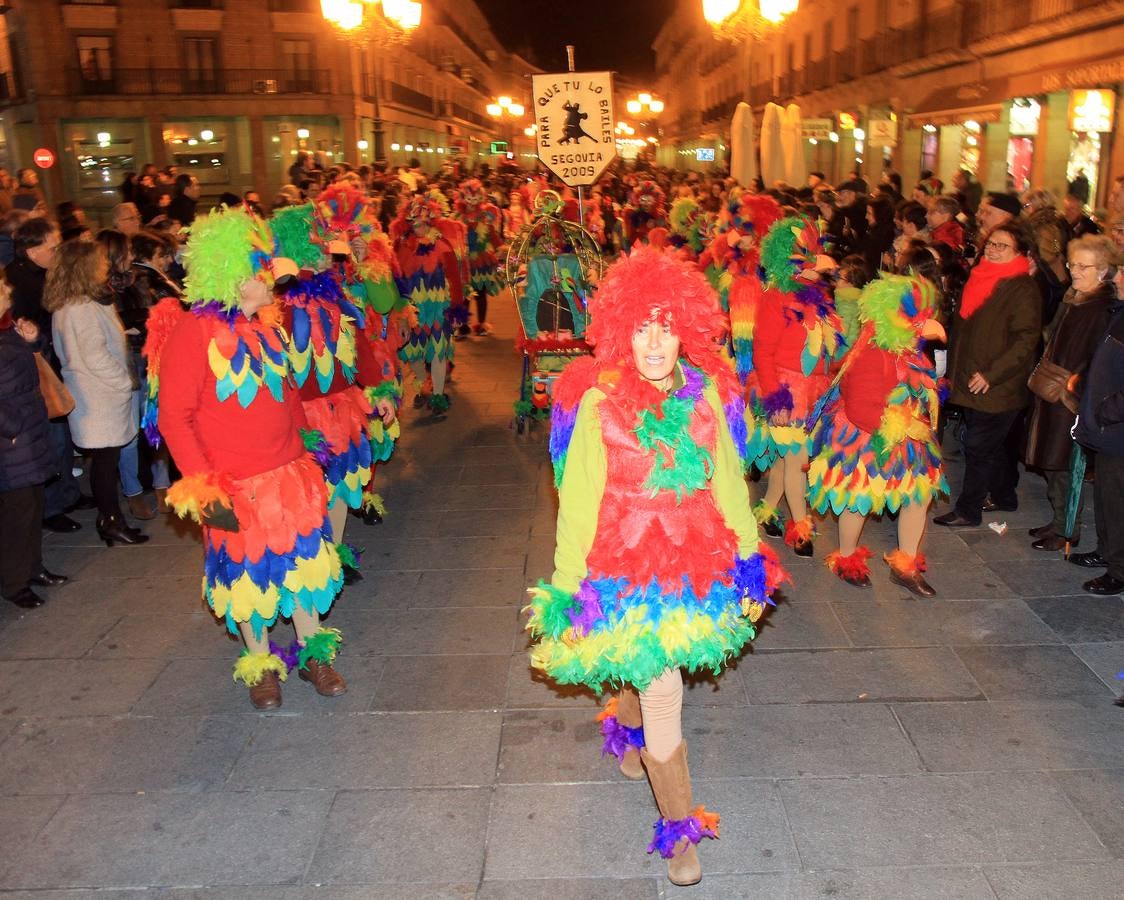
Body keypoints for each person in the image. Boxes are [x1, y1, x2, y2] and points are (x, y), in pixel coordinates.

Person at [526, 248, 785, 887]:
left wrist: (751, 558)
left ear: (687, 331)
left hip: (692, 566)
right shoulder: (598, 406)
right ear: (620, 329)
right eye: (642, 326)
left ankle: (669, 813)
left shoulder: (705, 400)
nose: (654, 342)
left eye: (667, 326)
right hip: (620, 564)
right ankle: (657, 784)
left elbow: (729, 484)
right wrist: (565, 586)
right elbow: (578, 503)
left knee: (660, 684)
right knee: (648, 675)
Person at [147, 207, 346, 708]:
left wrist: (308, 450)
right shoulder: (192, 334)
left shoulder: (265, 325)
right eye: (259, 269)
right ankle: (261, 666)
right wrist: (204, 489)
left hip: (291, 476)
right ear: (232, 276)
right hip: (232, 484)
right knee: (245, 578)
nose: (269, 277)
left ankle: (313, 654)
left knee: (305, 570)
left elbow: (288, 396)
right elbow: (175, 417)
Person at [809, 274, 947, 596]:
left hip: (908, 442)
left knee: (918, 497)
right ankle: (846, 558)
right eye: (915, 319)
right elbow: (859, 408)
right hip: (864, 443)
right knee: (857, 502)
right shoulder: (870, 354)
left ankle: (906, 563)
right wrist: (898, 426)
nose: (925, 325)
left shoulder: (912, 353)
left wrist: (918, 418)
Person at [749, 216, 847, 554]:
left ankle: (765, 511)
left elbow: (826, 347)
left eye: (813, 253)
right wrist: (774, 398)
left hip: (814, 390)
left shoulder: (819, 298)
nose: (812, 262)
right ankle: (801, 528)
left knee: (784, 460)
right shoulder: (775, 297)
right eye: (800, 255)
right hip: (786, 391)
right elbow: (762, 350)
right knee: (796, 459)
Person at [935, 223, 1042, 527]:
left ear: (1020, 253)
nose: (993, 251)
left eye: (1002, 246)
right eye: (991, 244)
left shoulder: (1021, 287)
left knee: (979, 448)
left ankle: (969, 510)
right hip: (971, 377)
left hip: (996, 385)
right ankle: (1005, 496)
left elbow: (1025, 341)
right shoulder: (980, 277)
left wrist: (991, 375)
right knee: (990, 445)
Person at [45, 240, 149, 546]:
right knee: (105, 462)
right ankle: (111, 520)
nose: (105, 265)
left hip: (97, 394)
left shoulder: (74, 302)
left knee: (106, 460)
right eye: (99, 261)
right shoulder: (80, 308)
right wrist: (123, 381)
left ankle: (111, 518)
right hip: (99, 396)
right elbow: (93, 356)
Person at [1023, 234, 1116, 551]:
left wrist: (1073, 390)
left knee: (1065, 465)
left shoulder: (1101, 308)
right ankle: (1059, 519)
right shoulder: (1076, 300)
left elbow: (1096, 361)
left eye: (1083, 266)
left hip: (1070, 398)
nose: (1075, 271)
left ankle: (1067, 529)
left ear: (1102, 271)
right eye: (1072, 264)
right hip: (1055, 393)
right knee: (1053, 465)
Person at [8, 218, 94, 531]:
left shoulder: (40, 275)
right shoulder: (21, 283)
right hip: (38, 370)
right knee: (54, 439)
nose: (58, 253)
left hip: (51, 362)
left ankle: (68, 495)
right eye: (52, 247)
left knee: (64, 437)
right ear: (32, 251)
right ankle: (52, 507)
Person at [0, 268, 68, 608]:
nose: (8, 289)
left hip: (30, 430)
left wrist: (32, 339)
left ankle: (34, 568)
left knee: (34, 505)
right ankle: (14, 583)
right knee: (17, 514)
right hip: (12, 441)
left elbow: (30, 358)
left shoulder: (7, 326)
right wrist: (11, 428)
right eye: (0, 287)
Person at [1071, 253, 1124, 594]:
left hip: (1117, 428)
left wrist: (1106, 409)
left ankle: (1119, 570)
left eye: (1123, 274)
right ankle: (1107, 552)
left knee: (1118, 499)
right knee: (1106, 494)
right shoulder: (1119, 312)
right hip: (1107, 428)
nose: (1116, 279)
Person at [391, 194, 466, 414]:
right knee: (411, 353)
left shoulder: (442, 244)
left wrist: (457, 310)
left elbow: (455, 279)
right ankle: (426, 382)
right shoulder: (399, 246)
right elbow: (393, 278)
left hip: (438, 308)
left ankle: (438, 395)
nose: (420, 227)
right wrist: (397, 310)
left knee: (438, 352)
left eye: (424, 222)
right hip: (411, 309)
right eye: (415, 222)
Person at [453, 178, 502, 335]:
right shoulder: (458, 217)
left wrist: (500, 247)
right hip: (464, 260)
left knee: (480, 293)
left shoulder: (486, 215)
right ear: (462, 198)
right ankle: (463, 326)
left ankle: (481, 325)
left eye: (475, 198)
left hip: (481, 260)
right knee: (464, 295)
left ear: (481, 197)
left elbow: (492, 234)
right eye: (469, 198)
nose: (472, 202)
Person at [860, 195, 896, 274]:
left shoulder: (884, 237)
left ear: (879, 215)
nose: (866, 217)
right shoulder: (873, 231)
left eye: (869, 213)